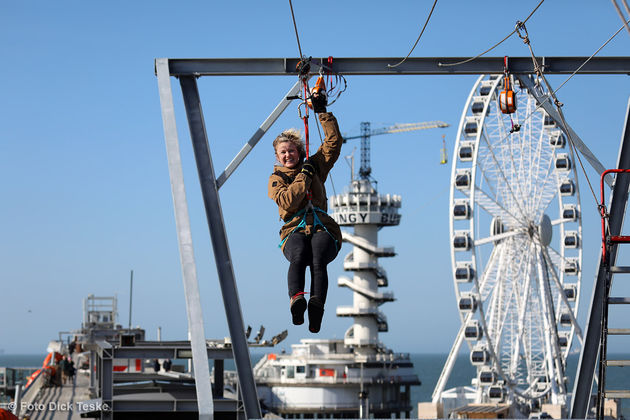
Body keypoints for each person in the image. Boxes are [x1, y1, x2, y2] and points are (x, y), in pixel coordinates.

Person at [268, 90, 342, 333]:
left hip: (322, 225)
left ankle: (316, 306)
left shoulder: (315, 165)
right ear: (278, 157)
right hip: (295, 228)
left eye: (291, 150)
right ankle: (297, 300)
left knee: (319, 258)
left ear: (299, 151)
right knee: (299, 255)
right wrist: (305, 176)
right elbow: (288, 201)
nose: (288, 155)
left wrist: (321, 112)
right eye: (283, 152)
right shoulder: (276, 178)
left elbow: (333, 143)